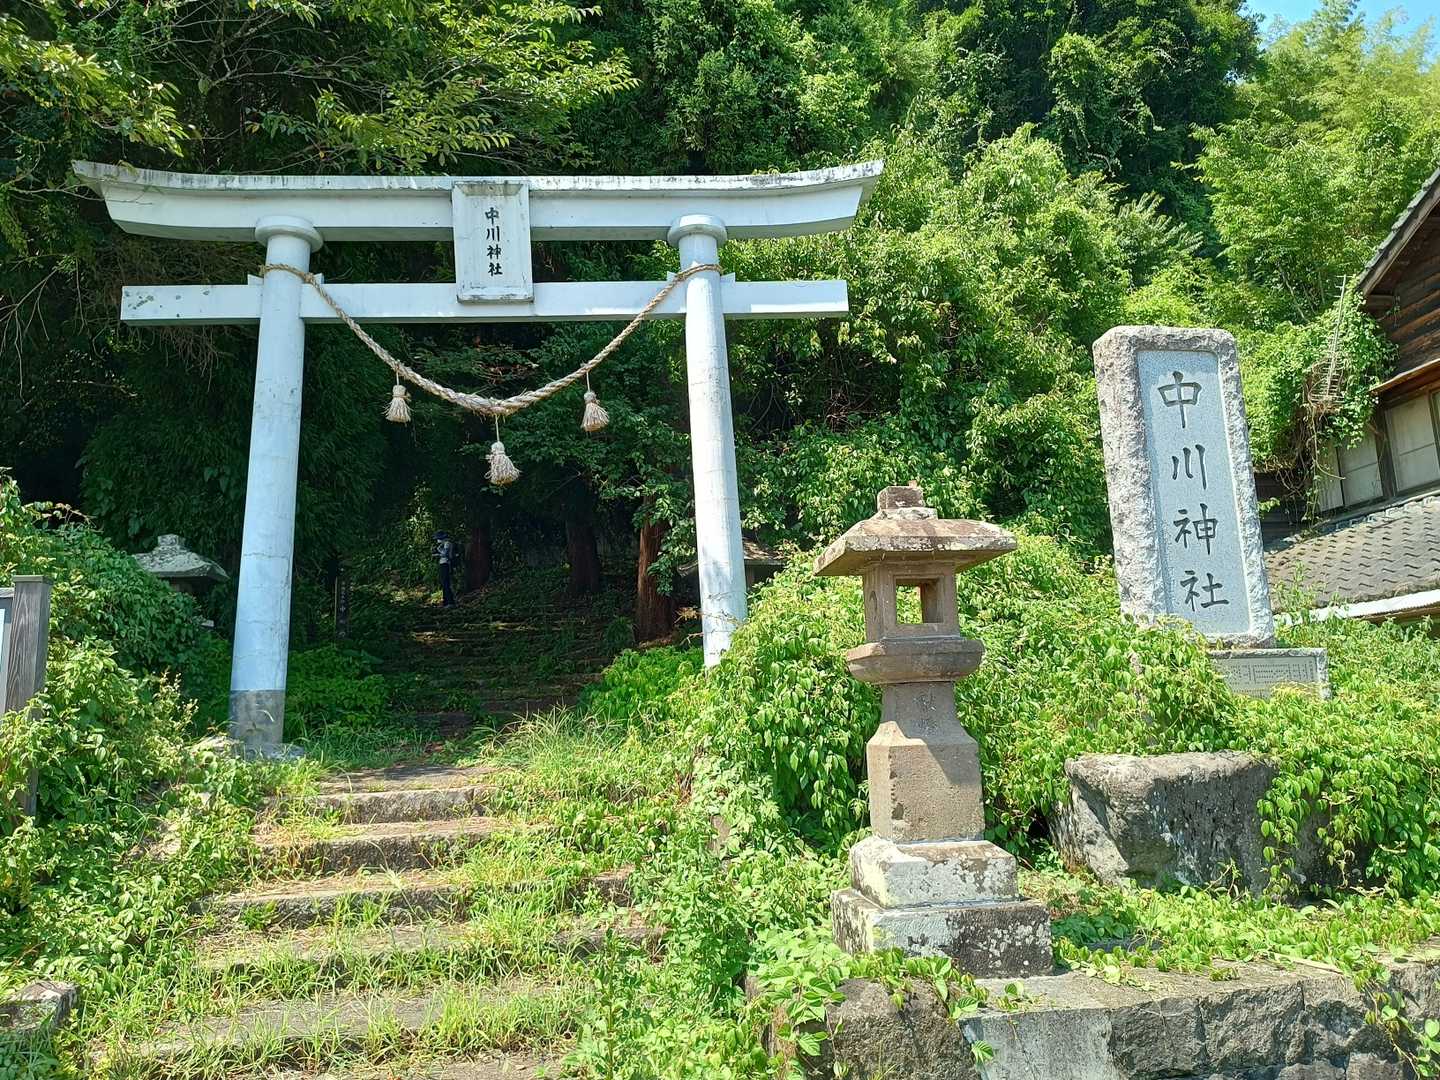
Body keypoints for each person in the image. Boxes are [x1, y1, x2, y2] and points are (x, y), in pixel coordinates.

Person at [434, 530, 457, 607]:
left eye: (438, 538)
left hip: (446, 564)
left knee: (446, 583)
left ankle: (450, 602)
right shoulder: (444, 543)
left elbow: (445, 554)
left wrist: (438, 554)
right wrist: (440, 547)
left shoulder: (447, 543)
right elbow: (441, 551)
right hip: (443, 564)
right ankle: (446, 602)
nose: (437, 540)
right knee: (444, 583)